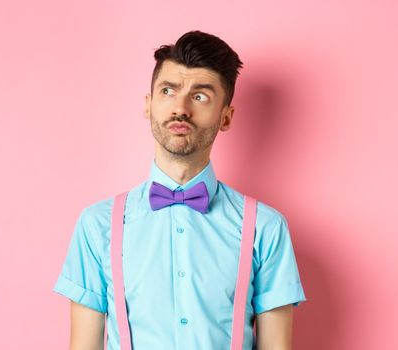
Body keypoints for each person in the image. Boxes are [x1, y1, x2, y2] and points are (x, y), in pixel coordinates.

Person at [53, 30, 306, 350]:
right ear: (149, 105)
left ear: (226, 117)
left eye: (200, 96)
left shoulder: (265, 228)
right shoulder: (97, 225)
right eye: (169, 91)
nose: (181, 108)